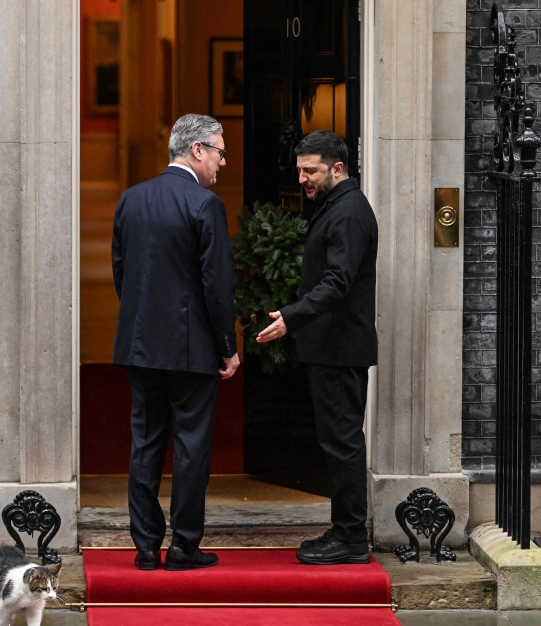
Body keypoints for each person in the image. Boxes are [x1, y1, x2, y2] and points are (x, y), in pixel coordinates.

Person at [112, 114, 240, 571]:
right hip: (192, 350)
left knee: (145, 443)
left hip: (141, 344)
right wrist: (228, 345)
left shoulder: (131, 199)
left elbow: (122, 274)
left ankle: (145, 546)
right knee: (190, 447)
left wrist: (145, 322)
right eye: (220, 152)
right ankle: (184, 547)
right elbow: (216, 286)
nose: (223, 162)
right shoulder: (205, 205)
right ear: (198, 149)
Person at [256, 130, 378, 565]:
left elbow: (339, 282)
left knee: (342, 441)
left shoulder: (347, 213)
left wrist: (293, 316)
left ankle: (350, 539)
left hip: (338, 347)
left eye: (311, 170)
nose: (304, 178)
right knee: (337, 439)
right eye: (301, 170)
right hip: (332, 345)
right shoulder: (337, 206)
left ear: (337, 168)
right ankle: (345, 529)